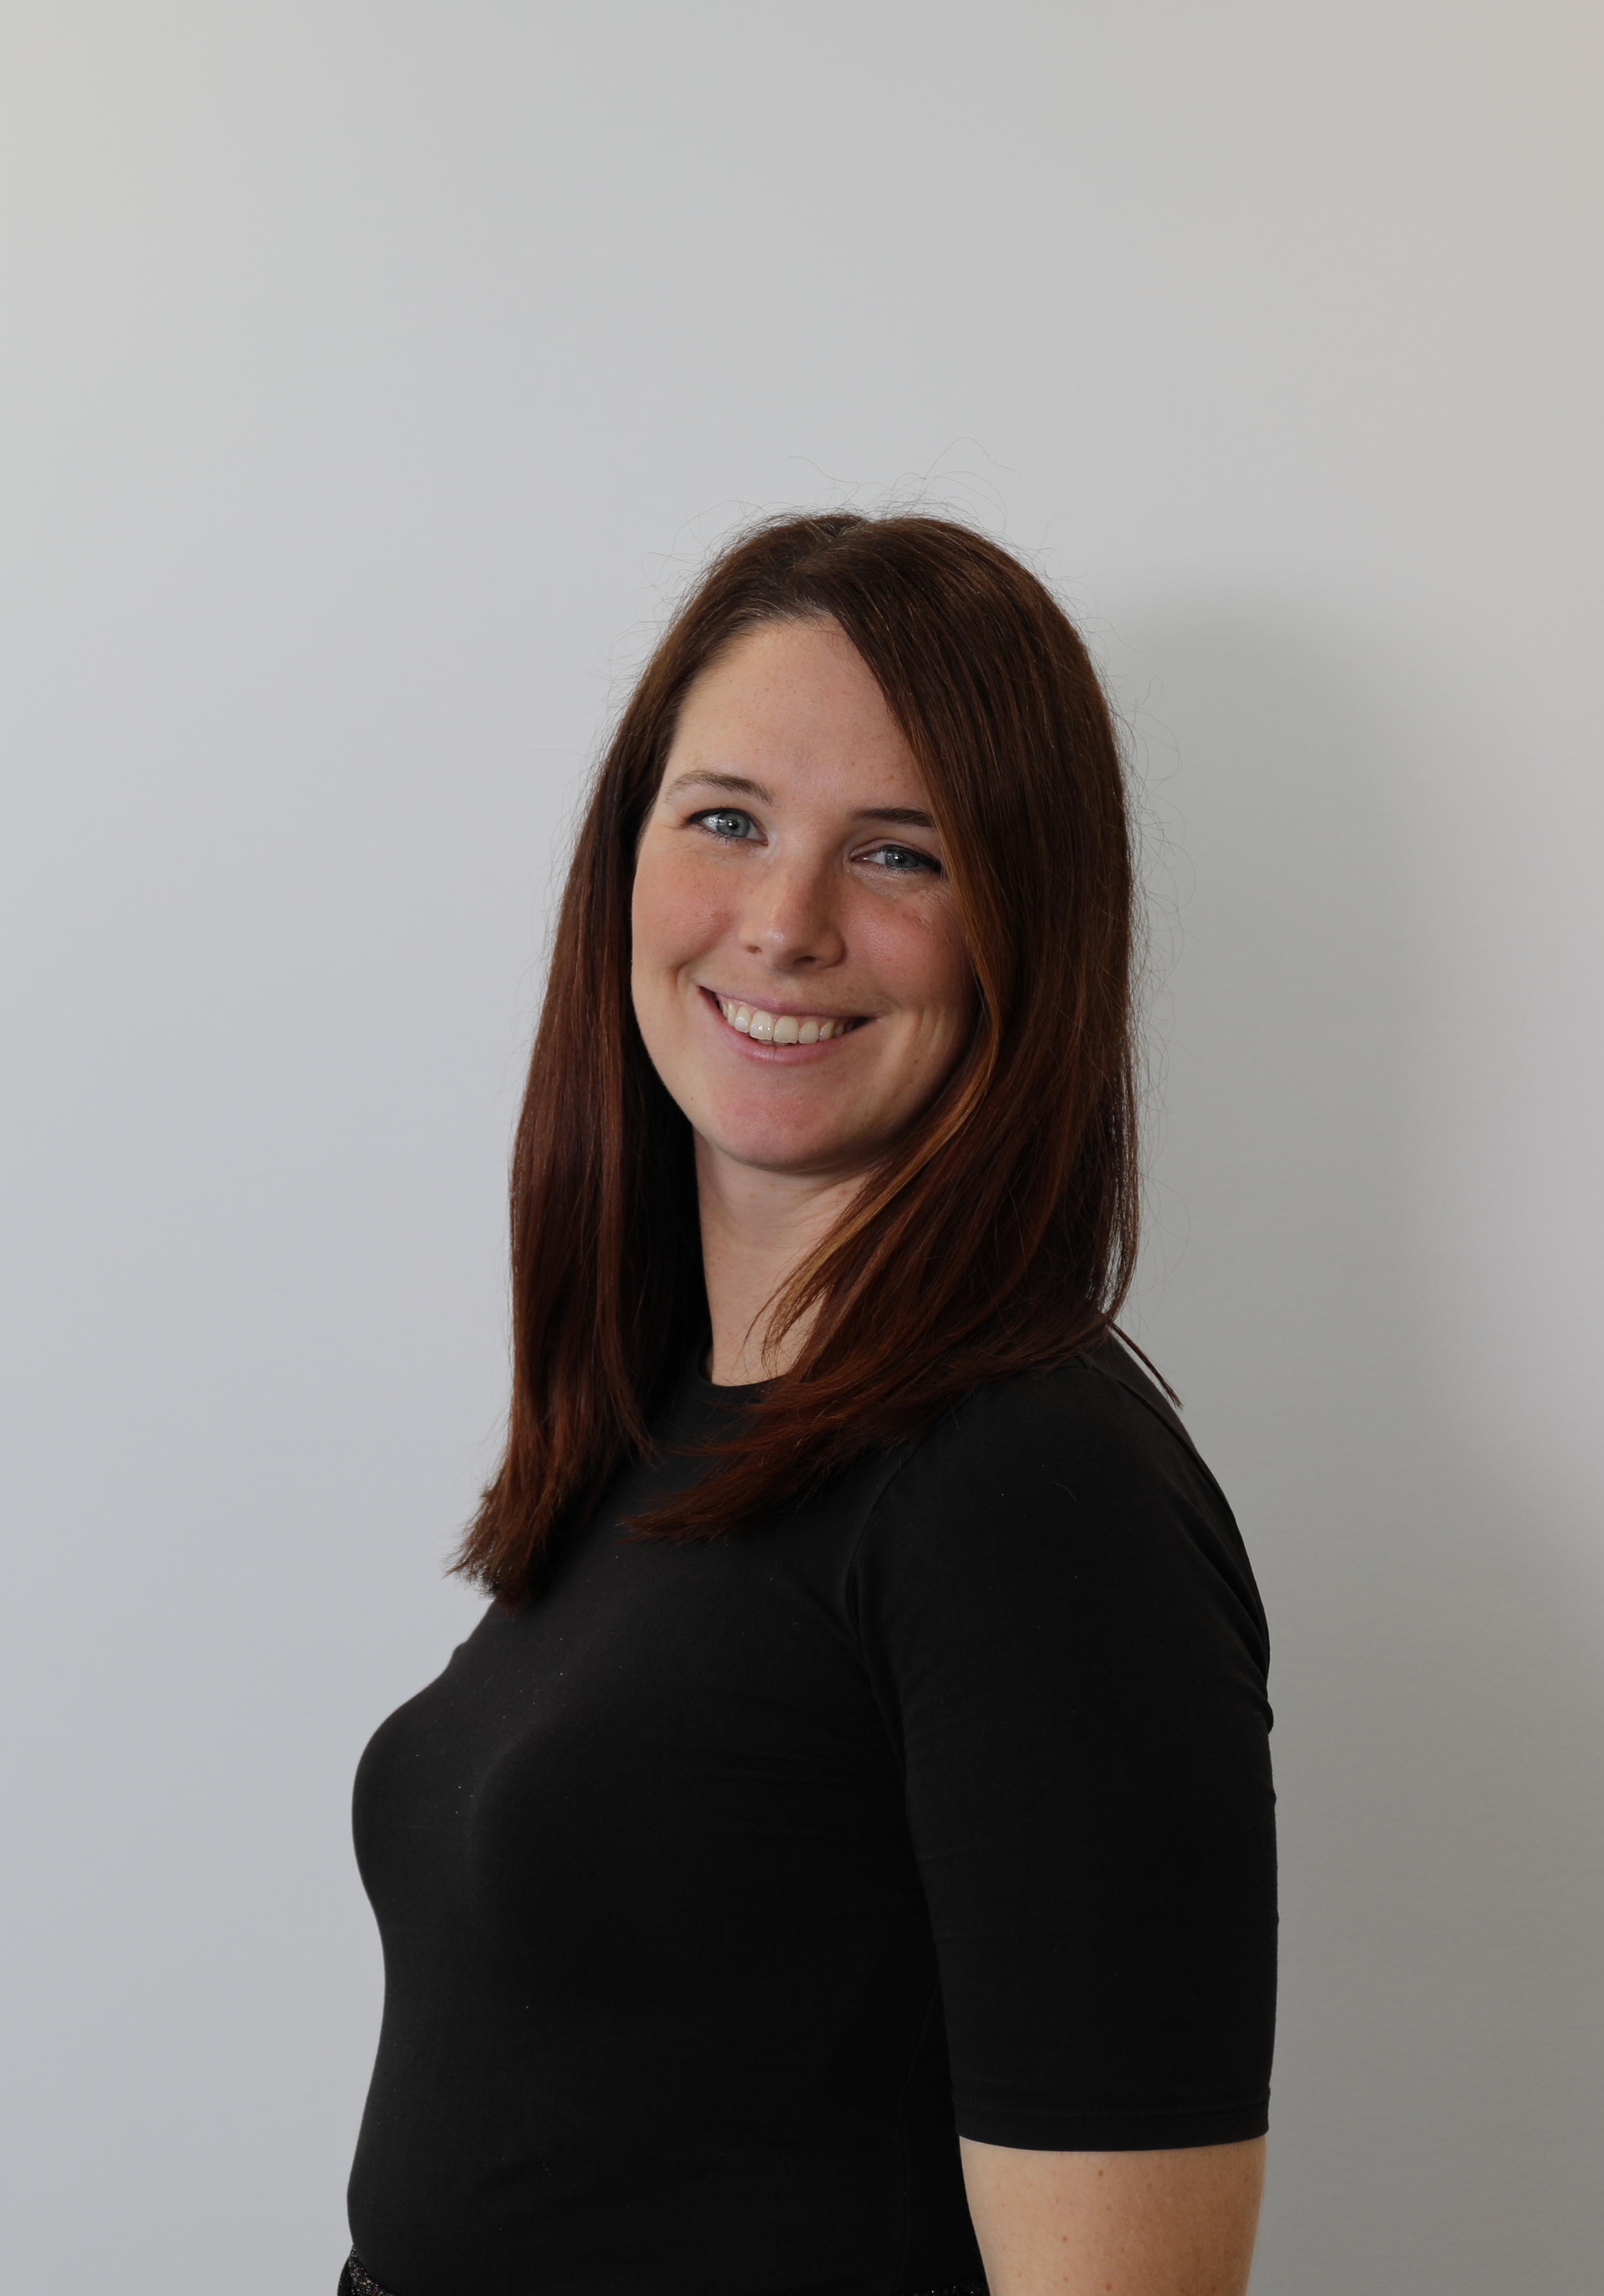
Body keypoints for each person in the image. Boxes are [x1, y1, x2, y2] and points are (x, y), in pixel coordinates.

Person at [343, 514, 1277, 2296]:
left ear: (1027, 927)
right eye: (727, 821)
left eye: (900, 855)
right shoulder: (655, 1433)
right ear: (624, 857)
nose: (783, 924)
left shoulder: (1026, 1494)